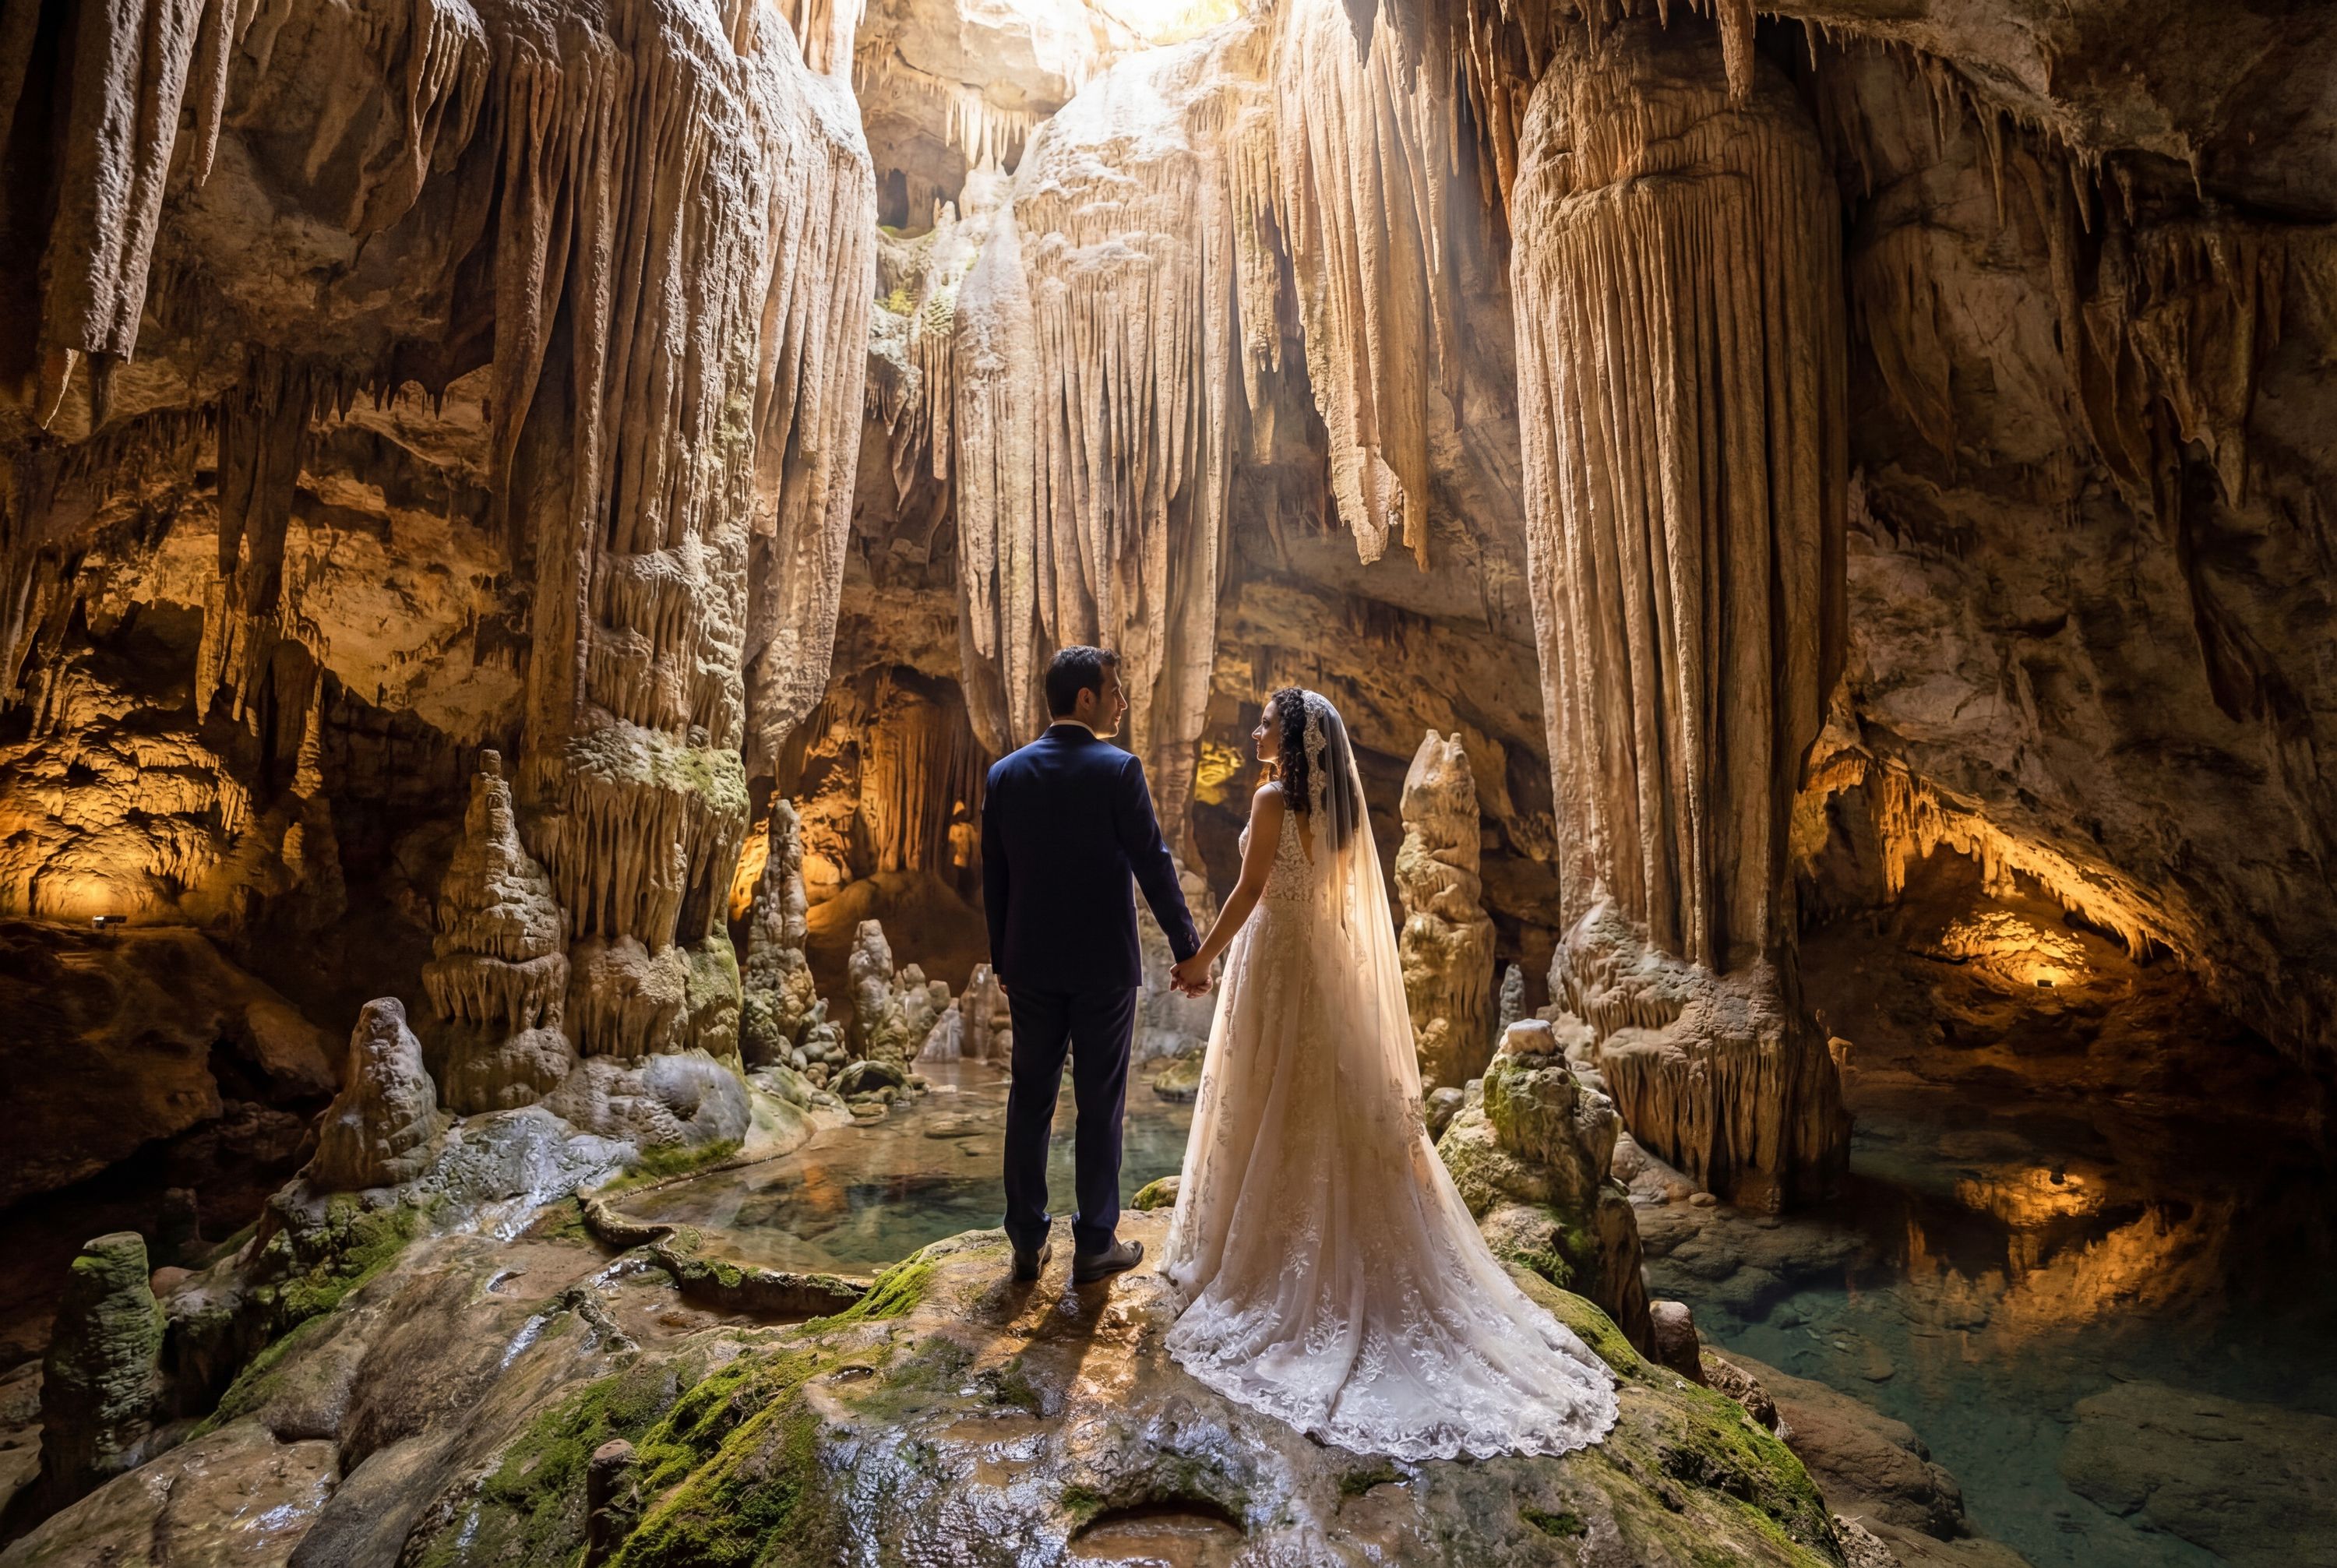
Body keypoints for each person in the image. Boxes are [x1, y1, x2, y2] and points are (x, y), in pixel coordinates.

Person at [1160, 687, 1617, 1459]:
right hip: (1325, 967)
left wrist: (1202, 958)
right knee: (1323, 1100)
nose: (1256, 729)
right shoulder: (1338, 816)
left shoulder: (1273, 800)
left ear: (1295, 737)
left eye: (1268, 721)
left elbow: (1250, 892)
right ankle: (1325, 1232)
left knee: (1269, 1091)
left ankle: (1260, 1248)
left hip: (1274, 964)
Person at [982, 646, 1204, 1285]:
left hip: (1029, 963)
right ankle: (1095, 1242)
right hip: (1103, 965)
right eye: (1115, 689)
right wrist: (1188, 948)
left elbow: (993, 879)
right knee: (1099, 1102)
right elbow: (1153, 863)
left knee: (1030, 1097)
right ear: (1086, 698)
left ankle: (1026, 1242)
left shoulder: (1006, 775)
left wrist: (1004, 955)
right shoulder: (1118, 770)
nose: (1123, 702)